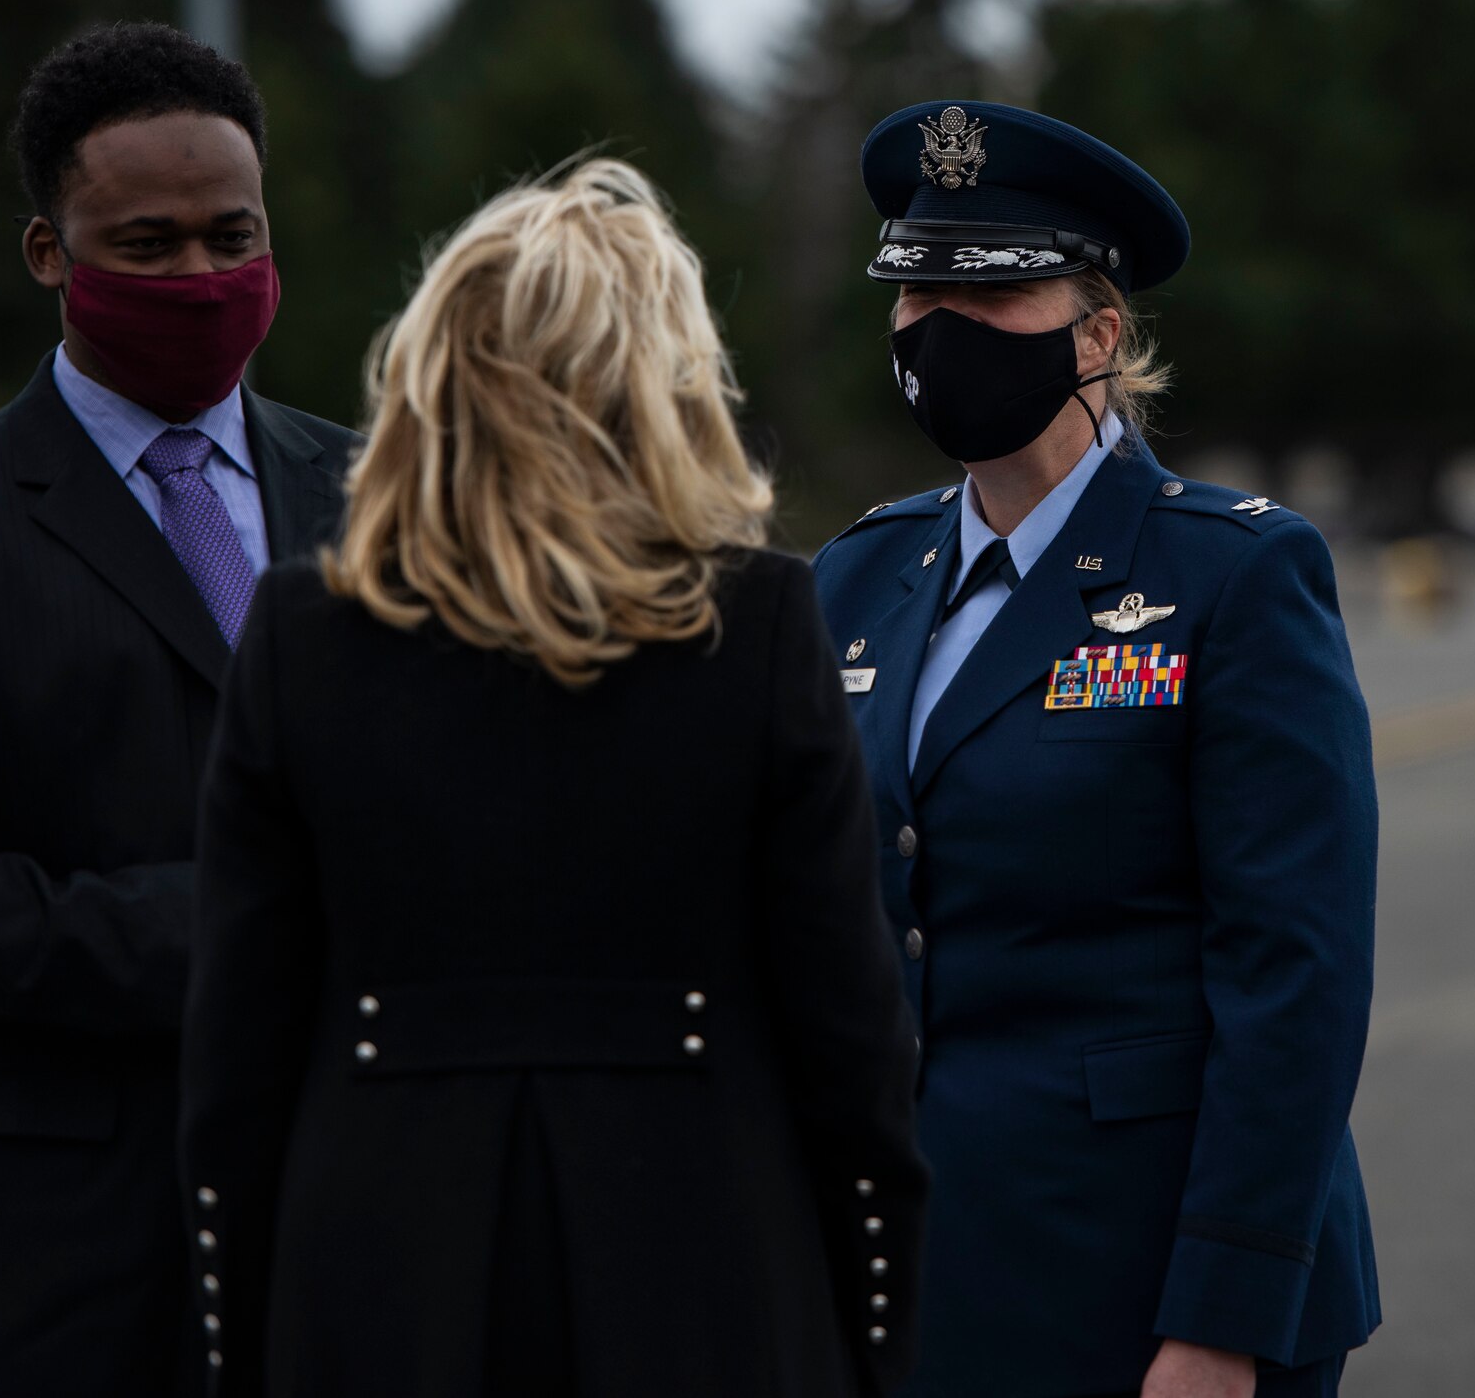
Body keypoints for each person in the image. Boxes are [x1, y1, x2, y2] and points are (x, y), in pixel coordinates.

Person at [178, 158, 929, 1398]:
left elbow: (234, 1069)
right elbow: (851, 1046)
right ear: (665, 383)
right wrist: (870, 1340)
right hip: (711, 1284)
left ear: (434, 379)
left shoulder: (300, 635)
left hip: (375, 1287)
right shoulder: (757, 625)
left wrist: (247, 1343)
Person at [0, 23, 355, 1397]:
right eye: (147, 244)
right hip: (66, 1283)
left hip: (353, 1246)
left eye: (233, 234)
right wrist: (237, 923)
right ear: (51, 253)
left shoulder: (382, 489)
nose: (203, 276)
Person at [813, 102, 1380, 1398]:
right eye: (914, 296)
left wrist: (1223, 1315)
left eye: (991, 298)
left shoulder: (1231, 571)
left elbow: (1293, 971)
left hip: (1153, 1282)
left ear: (1101, 332)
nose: (938, 331)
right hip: (924, 1270)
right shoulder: (851, 576)